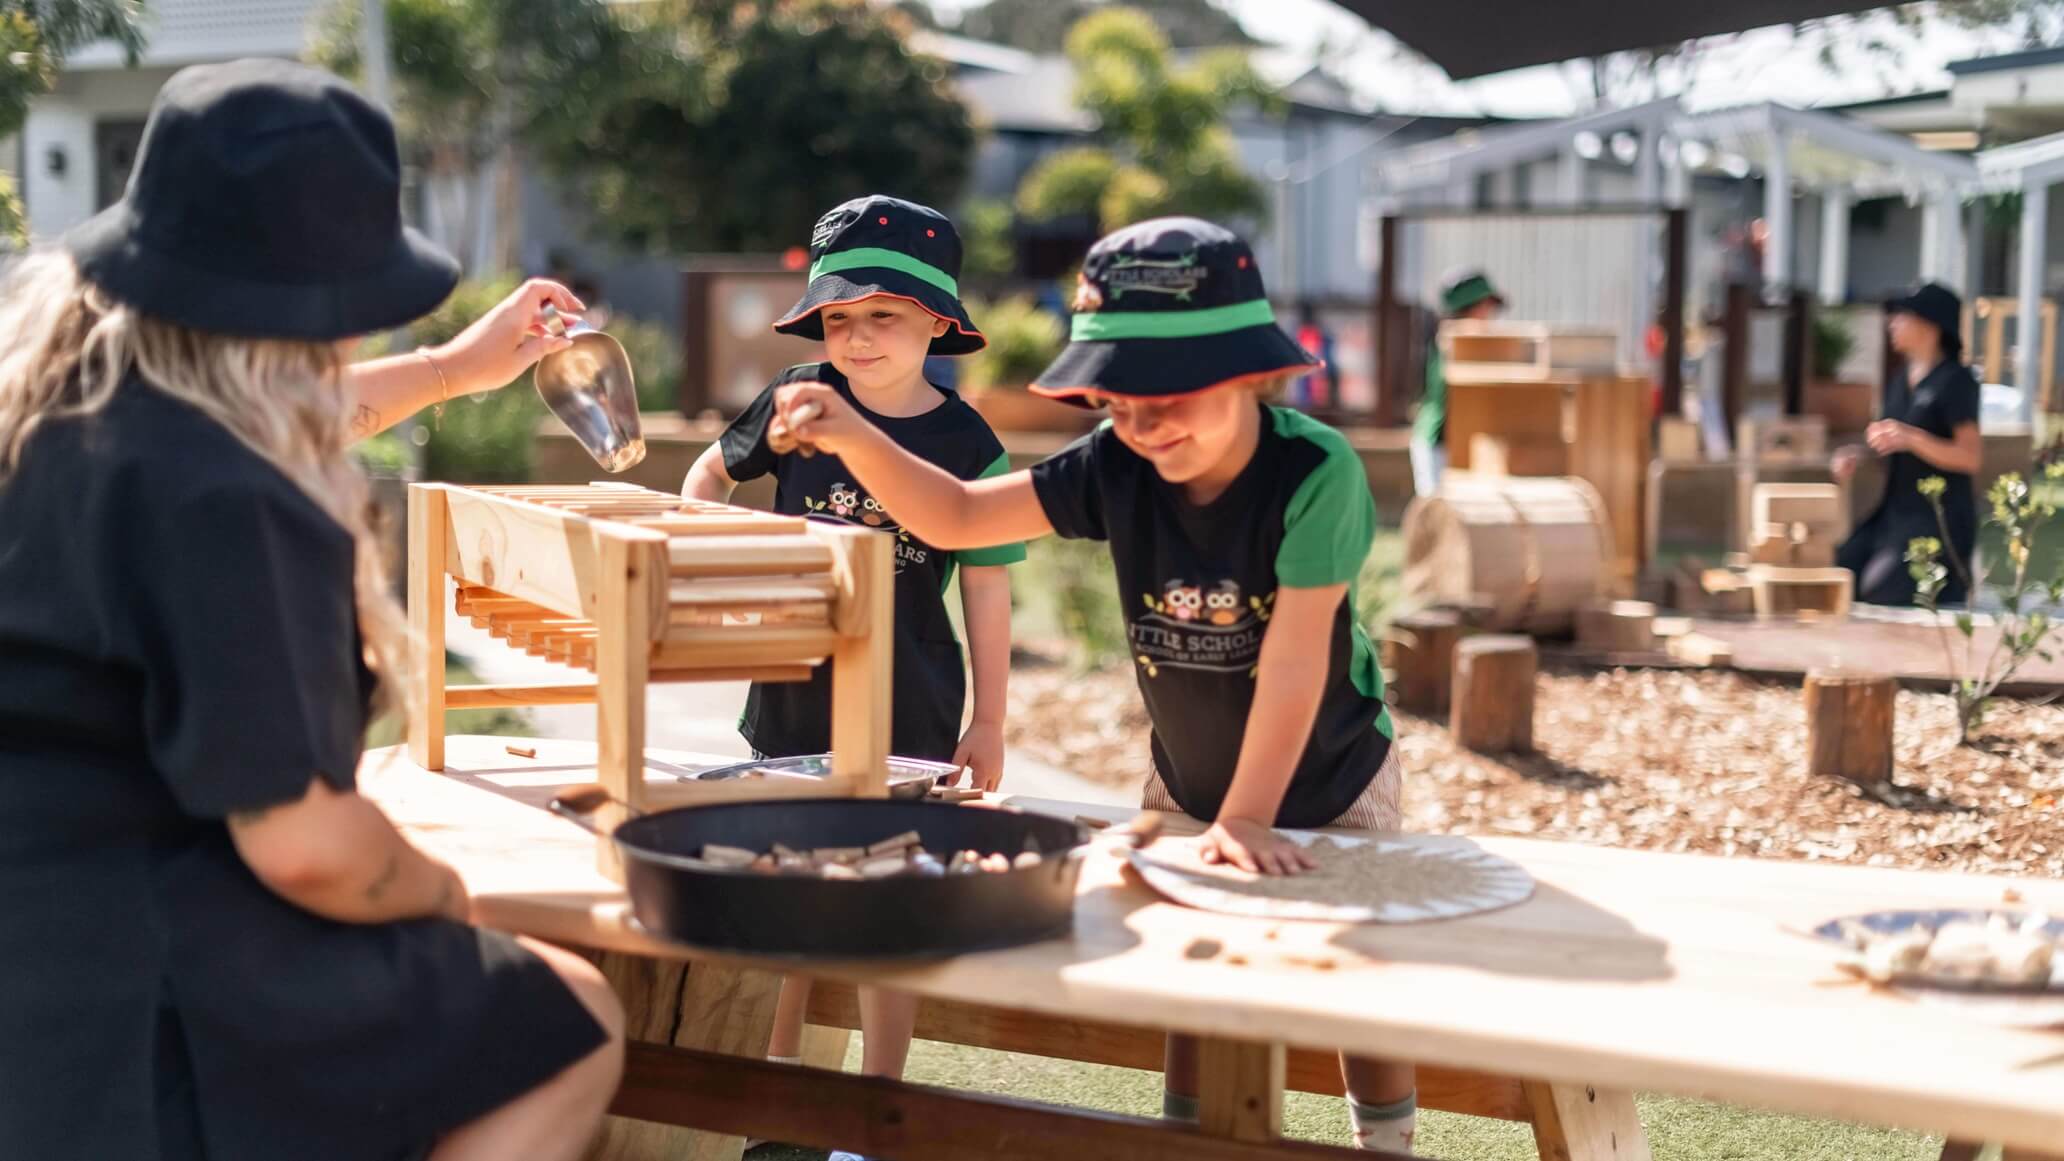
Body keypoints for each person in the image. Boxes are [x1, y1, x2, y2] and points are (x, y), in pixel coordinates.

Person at [0, 60, 626, 1161]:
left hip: (39, 945)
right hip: (141, 987)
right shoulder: (232, 497)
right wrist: (447, 892)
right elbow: (307, 851)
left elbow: (268, 414)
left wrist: (448, 369)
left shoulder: (60, 412)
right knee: (572, 1019)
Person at [768, 217, 1421, 1154]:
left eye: (1169, 395)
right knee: (1186, 979)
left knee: (1361, 977)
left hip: (1333, 770)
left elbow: (1293, 661)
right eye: (1117, 398)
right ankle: (1185, 1140)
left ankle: (1384, 1142)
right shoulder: (1119, 462)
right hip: (1186, 773)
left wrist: (1246, 819)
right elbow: (956, 514)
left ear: (1250, 374)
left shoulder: (1316, 470)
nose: (1145, 423)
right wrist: (855, 436)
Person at [681, 195, 1022, 1161]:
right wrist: (731, 561)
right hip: (789, 693)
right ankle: (775, 1111)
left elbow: (990, 590)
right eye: (839, 317)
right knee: (788, 902)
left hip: (908, 708)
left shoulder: (969, 445)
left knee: (885, 908)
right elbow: (705, 479)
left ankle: (877, 1112)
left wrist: (991, 718)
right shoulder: (795, 397)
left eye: (884, 315)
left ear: (938, 324)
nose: (858, 338)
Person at [1834, 283, 1982, 606]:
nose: (1892, 323)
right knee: (1841, 572)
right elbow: (1894, 447)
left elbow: (1969, 457)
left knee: (1881, 590)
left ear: (1931, 326)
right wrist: (1859, 455)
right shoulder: (1900, 379)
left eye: (1903, 316)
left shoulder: (1957, 381)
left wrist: (1911, 438)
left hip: (1936, 520)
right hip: (1893, 513)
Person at [1411, 270, 1504, 497]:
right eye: (1485, 306)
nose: (1488, 315)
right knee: (1437, 512)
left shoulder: (1463, 340)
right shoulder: (1451, 340)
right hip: (1437, 439)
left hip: (1458, 441)